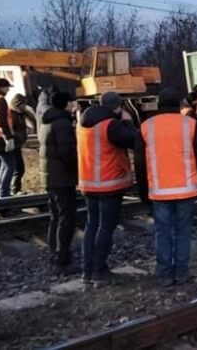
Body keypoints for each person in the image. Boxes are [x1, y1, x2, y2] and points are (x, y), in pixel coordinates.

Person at [134, 89, 197, 286]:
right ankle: (182, 274)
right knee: (184, 232)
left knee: (162, 233)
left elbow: (140, 166)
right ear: (178, 105)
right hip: (187, 189)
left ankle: (165, 275)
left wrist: (143, 193)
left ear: (158, 105)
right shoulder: (191, 125)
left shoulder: (146, 127)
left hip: (159, 192)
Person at [77, 91, 137, 285]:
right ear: (117, 107)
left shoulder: (83, 123)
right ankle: (99, 270)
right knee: (106, 227)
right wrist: (127, 122)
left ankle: (87, 271)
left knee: (91, 226)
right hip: (109, 183)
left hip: (89, 183)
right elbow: (133, 140)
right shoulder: (111, 125)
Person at [39, 92, 78, 271]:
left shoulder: (46, 122)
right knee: (66, 217)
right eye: (72, 103)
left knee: (55, 217)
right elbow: (67, 152)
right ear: (66, 104)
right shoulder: (63, 124)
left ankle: (54, 252)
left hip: (49, 176)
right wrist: (77, 171)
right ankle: (62, 258)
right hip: (62, 178)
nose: (73, 106)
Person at [9, 94, 29, 195]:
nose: (25, 106)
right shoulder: (12, 114)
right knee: (18, 168)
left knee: (19, 168)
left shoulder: (20, 114)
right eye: (23, 104)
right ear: (18, 104)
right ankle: (14, 189)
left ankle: (16, 189)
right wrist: (18, 138)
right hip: (14, 145)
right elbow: (12, 130)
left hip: (17, 145)